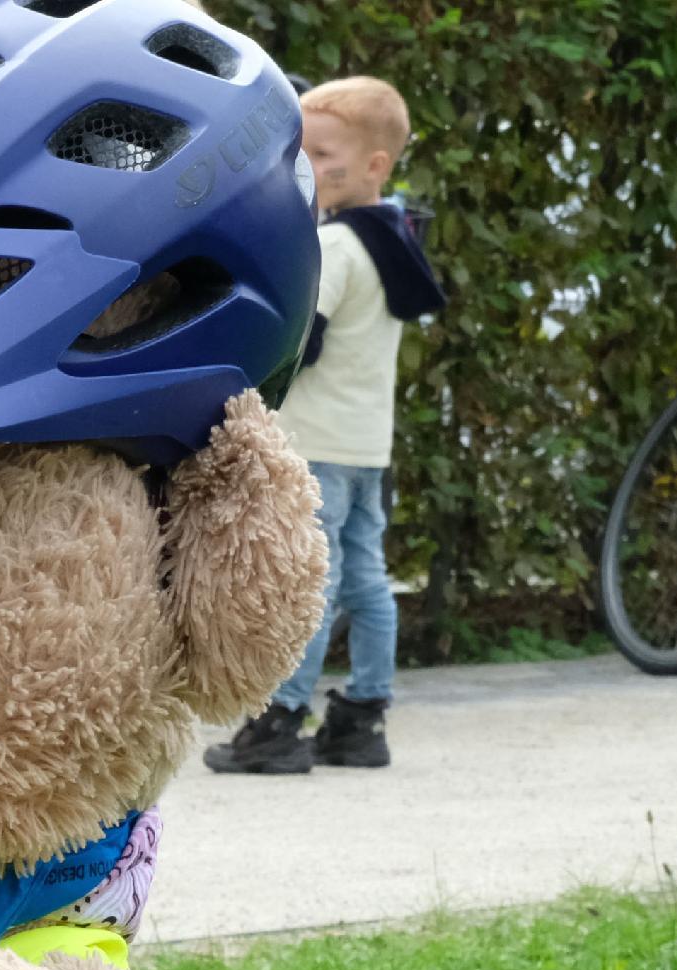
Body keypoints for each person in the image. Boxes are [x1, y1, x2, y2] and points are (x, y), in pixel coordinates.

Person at [208, 75, 442, 775]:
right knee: (368, 582)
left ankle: (281, 720)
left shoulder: (336, 247)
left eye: (323, 152)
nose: (306, 165)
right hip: (369, 446)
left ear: (375, 164)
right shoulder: (396, 239)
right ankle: (364, 716)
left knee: (317, 586)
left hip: (320, 449)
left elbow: (299, 346)